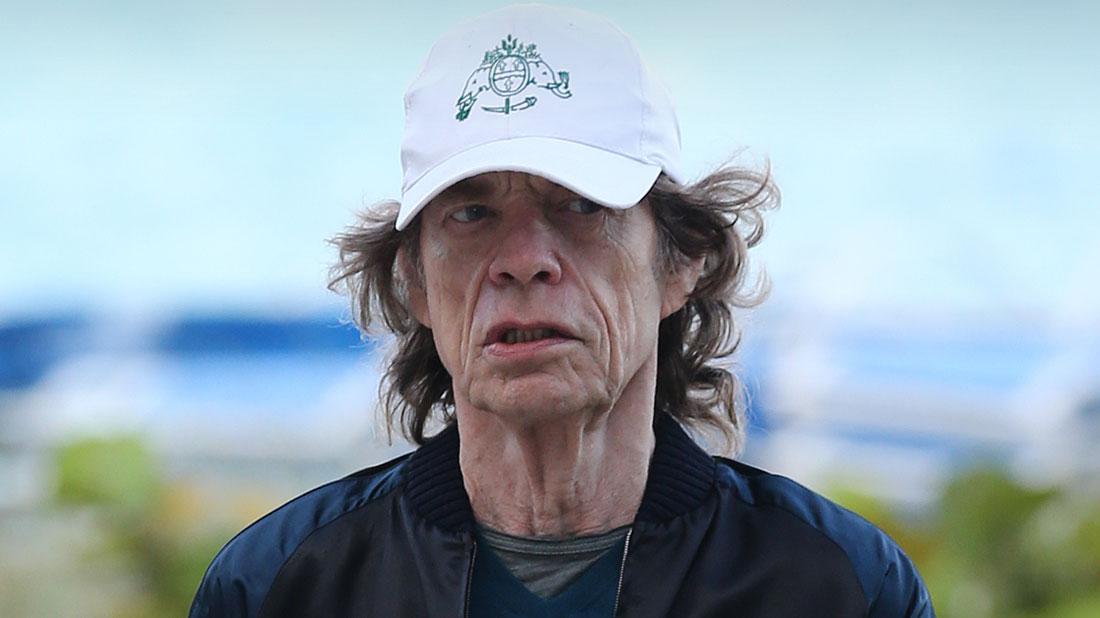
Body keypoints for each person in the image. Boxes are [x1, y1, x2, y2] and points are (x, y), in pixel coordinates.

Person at [190, 4, 933, 617]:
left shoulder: (840, 589)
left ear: (682, 261)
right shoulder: (279, 589)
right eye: (472, 213)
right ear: (412, 281)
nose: (524, 258)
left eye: (581, 206)